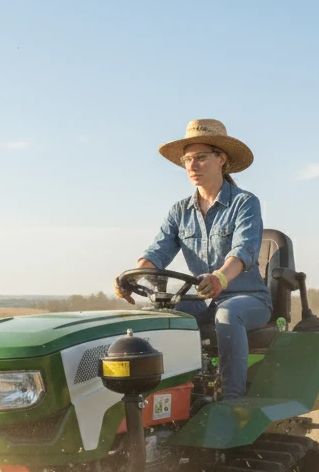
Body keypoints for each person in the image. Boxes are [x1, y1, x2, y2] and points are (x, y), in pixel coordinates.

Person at [115, 118, 272, 400]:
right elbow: (157, 252)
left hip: (248, 298)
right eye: (187, 160)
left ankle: (231, 399)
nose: (192, 166)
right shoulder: (179, 211)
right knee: (161, 316)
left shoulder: (245, 203)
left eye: (201, 158)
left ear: (221, 159)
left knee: (227, 314)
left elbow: (243, 251)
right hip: (200, 298)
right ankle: (166, 396)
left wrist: (220, 278)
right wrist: (132, 277)